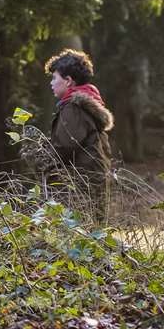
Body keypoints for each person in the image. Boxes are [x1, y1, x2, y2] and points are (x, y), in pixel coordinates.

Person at [43, 48, 115, 222]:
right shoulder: (86, 105)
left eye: (54, 78)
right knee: (92, 235)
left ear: (68, 81)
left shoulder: (73, 107)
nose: (51, 83)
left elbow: (64, 146)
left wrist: (42, 162)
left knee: (79, 236)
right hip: (92, 182)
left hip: (80, 185)